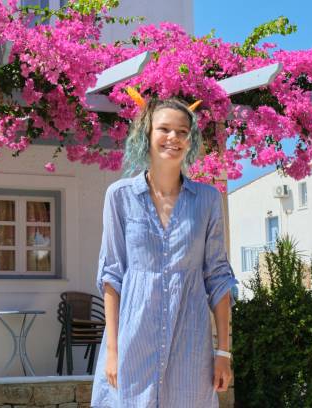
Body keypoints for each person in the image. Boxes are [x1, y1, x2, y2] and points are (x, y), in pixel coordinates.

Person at [91, 94, 238, 407]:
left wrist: (223, 352)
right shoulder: (119, 197)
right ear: (147, 133)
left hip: (191, 343)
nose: (174, 138)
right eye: (165, 129)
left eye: (183, 131)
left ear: (191, 140)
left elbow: (218, 277)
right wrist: (113, 351)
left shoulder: (208, 200)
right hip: (133, 340)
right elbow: (111, 275)